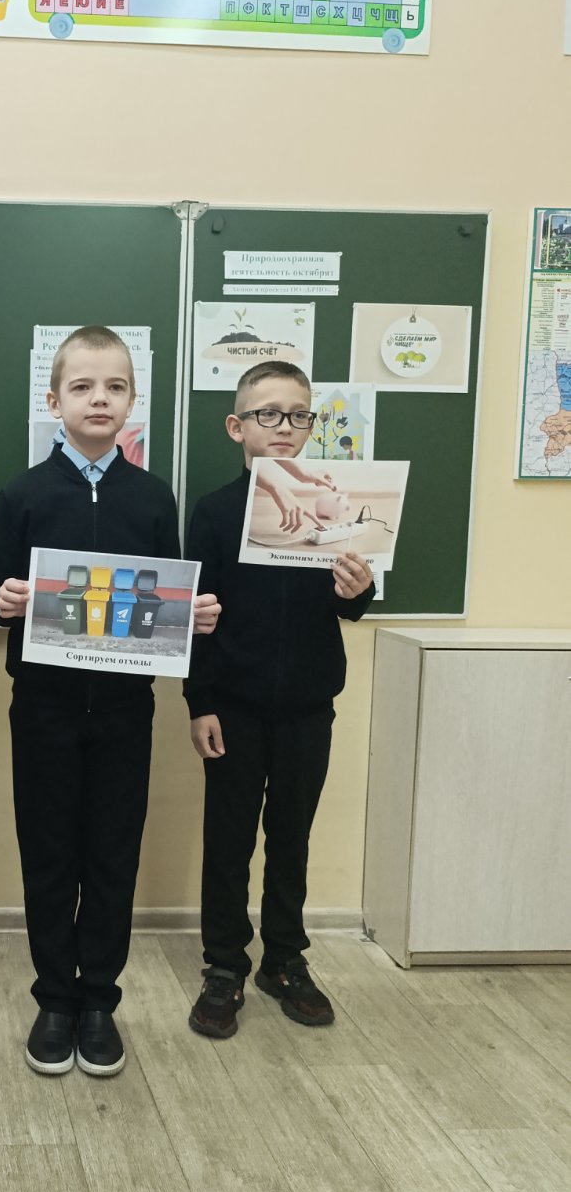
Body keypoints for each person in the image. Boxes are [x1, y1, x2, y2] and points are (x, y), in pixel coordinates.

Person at [0, 327, 220, 1078]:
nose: (99, 399)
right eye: (82, 386)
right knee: (49, 854)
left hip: (123, 712)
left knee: (113, 855)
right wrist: (2, 600)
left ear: (132, 401)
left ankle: (98, 1003)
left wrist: (190, 616)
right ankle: (54, 999)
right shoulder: (22, 494)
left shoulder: (151, 498)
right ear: (54, 400)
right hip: (43, 709)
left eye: (114, 387)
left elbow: (164, 604)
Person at [183, 360, 374, 1039]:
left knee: (291, 836)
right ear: (237, 427)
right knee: (228, 839)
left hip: (307, 705)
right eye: (267, 414)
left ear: (311, 425)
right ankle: (224, 965)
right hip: (233, 706)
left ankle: (285, 959)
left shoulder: (336, 502)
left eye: (298, 414)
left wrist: (359, 590)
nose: (284, 426)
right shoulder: (213, 512)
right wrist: (199, 703)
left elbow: (352, 602)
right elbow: (195, 619)